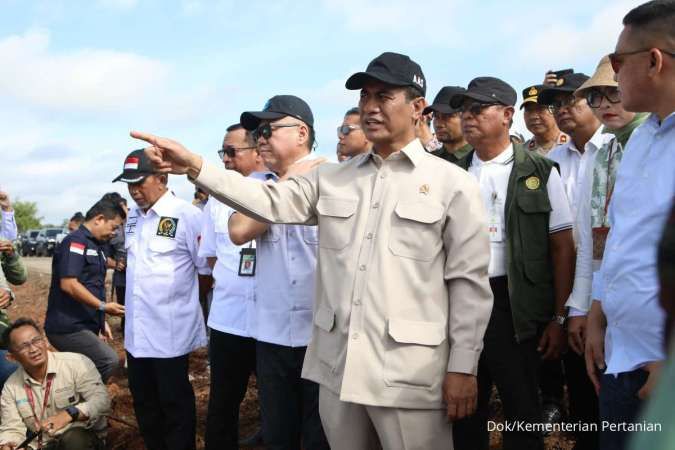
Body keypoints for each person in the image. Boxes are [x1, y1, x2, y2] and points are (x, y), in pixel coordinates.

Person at [132, 51, 493, 450]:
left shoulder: (452, 184)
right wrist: (197, 166)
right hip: (340, 373)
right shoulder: (333, 179)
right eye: (365, 97)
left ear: (417, 107)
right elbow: (264, 201)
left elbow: (468, 284)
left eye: (384, 96)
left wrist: (463, 365)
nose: (370, 107)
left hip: (410, 376)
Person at [449, 77, 575, 450]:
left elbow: (562, 247)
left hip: (513, 304)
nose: (467, 117)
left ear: (506, 115)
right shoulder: (449, 170)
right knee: (461, 406)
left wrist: (559, 318)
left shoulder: (538, 170)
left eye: (477, 109)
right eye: (464, 110)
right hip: (458, 300)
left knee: (522, 408)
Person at [585, 1, 675, 449]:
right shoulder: (641, 138)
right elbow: (621, 236)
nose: (613, 77)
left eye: (619, 63)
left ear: (655, 61)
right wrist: (599, 310)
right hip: (622, 358)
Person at [228, 95, 329, 450]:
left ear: (302, 132)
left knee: (321, 437)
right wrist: (286, 182)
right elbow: (238, 230)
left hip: (322, 336)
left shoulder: (334, 178)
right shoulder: (262, 186)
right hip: (271, 335)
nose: (261, 139)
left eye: (269, 129)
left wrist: (298, 177)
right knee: (278, 436)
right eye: (257, 132)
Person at [113, 149, 209, 450]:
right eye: (129, 184)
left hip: (170, 332)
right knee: (144, 403)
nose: (134, 190)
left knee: (175, 405)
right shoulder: (133, 221)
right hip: (136, 334)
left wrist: (184, 305)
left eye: (140, 182)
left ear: (163, 177)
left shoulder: (187, 216)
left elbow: (205, 271)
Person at [201, 123, 266, 450]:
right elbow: (210, 256)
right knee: (223, 405)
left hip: (273, 323)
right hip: (228, 320)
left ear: (257, 152)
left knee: (277, 404)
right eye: (222, 152)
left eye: (232, 151)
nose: (225, 159)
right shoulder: (216, 200)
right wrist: (234, 282)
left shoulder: (278, 190)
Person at [43, 198, 125, 384]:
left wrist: (100, 320)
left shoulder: (98, 246)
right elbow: (69, 284)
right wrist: (103, 307)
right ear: (99, 219)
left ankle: (80, 404)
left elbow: (92, 285)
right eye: (113, 227)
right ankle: (86, 401)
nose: (114, 233)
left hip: (85, 322)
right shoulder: (75, 242)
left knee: (82, 370)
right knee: (108, 360)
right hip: (67, 326)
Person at [0, 318, 110, 450]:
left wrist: (70, 414)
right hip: (42, 444)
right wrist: (9, 444)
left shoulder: (75, 363)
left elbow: (102, 400)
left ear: (45, 341)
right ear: (12, 358)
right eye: (24, 346)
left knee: (74, 441)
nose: (33, 349)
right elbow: (11, 427)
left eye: (36, 340)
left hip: (82, 438)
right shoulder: (11, 387)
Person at [538, 73, 605, 228]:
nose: (561, 110)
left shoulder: (616, 148)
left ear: (593, 100)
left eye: (570, 100)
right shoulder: (551, 160)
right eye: (556, 105)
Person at [425, 86, 473, 163]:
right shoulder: (429, 160)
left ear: (467, 117)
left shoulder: (478, 160)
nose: (439, 124)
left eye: (447, 116)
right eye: (436, 116)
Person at [520, 84, 568, 156]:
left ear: (554, 110)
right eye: (529, 110)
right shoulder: (521, 153)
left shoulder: (573, 146)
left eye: (540, 109)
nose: (534, 116)